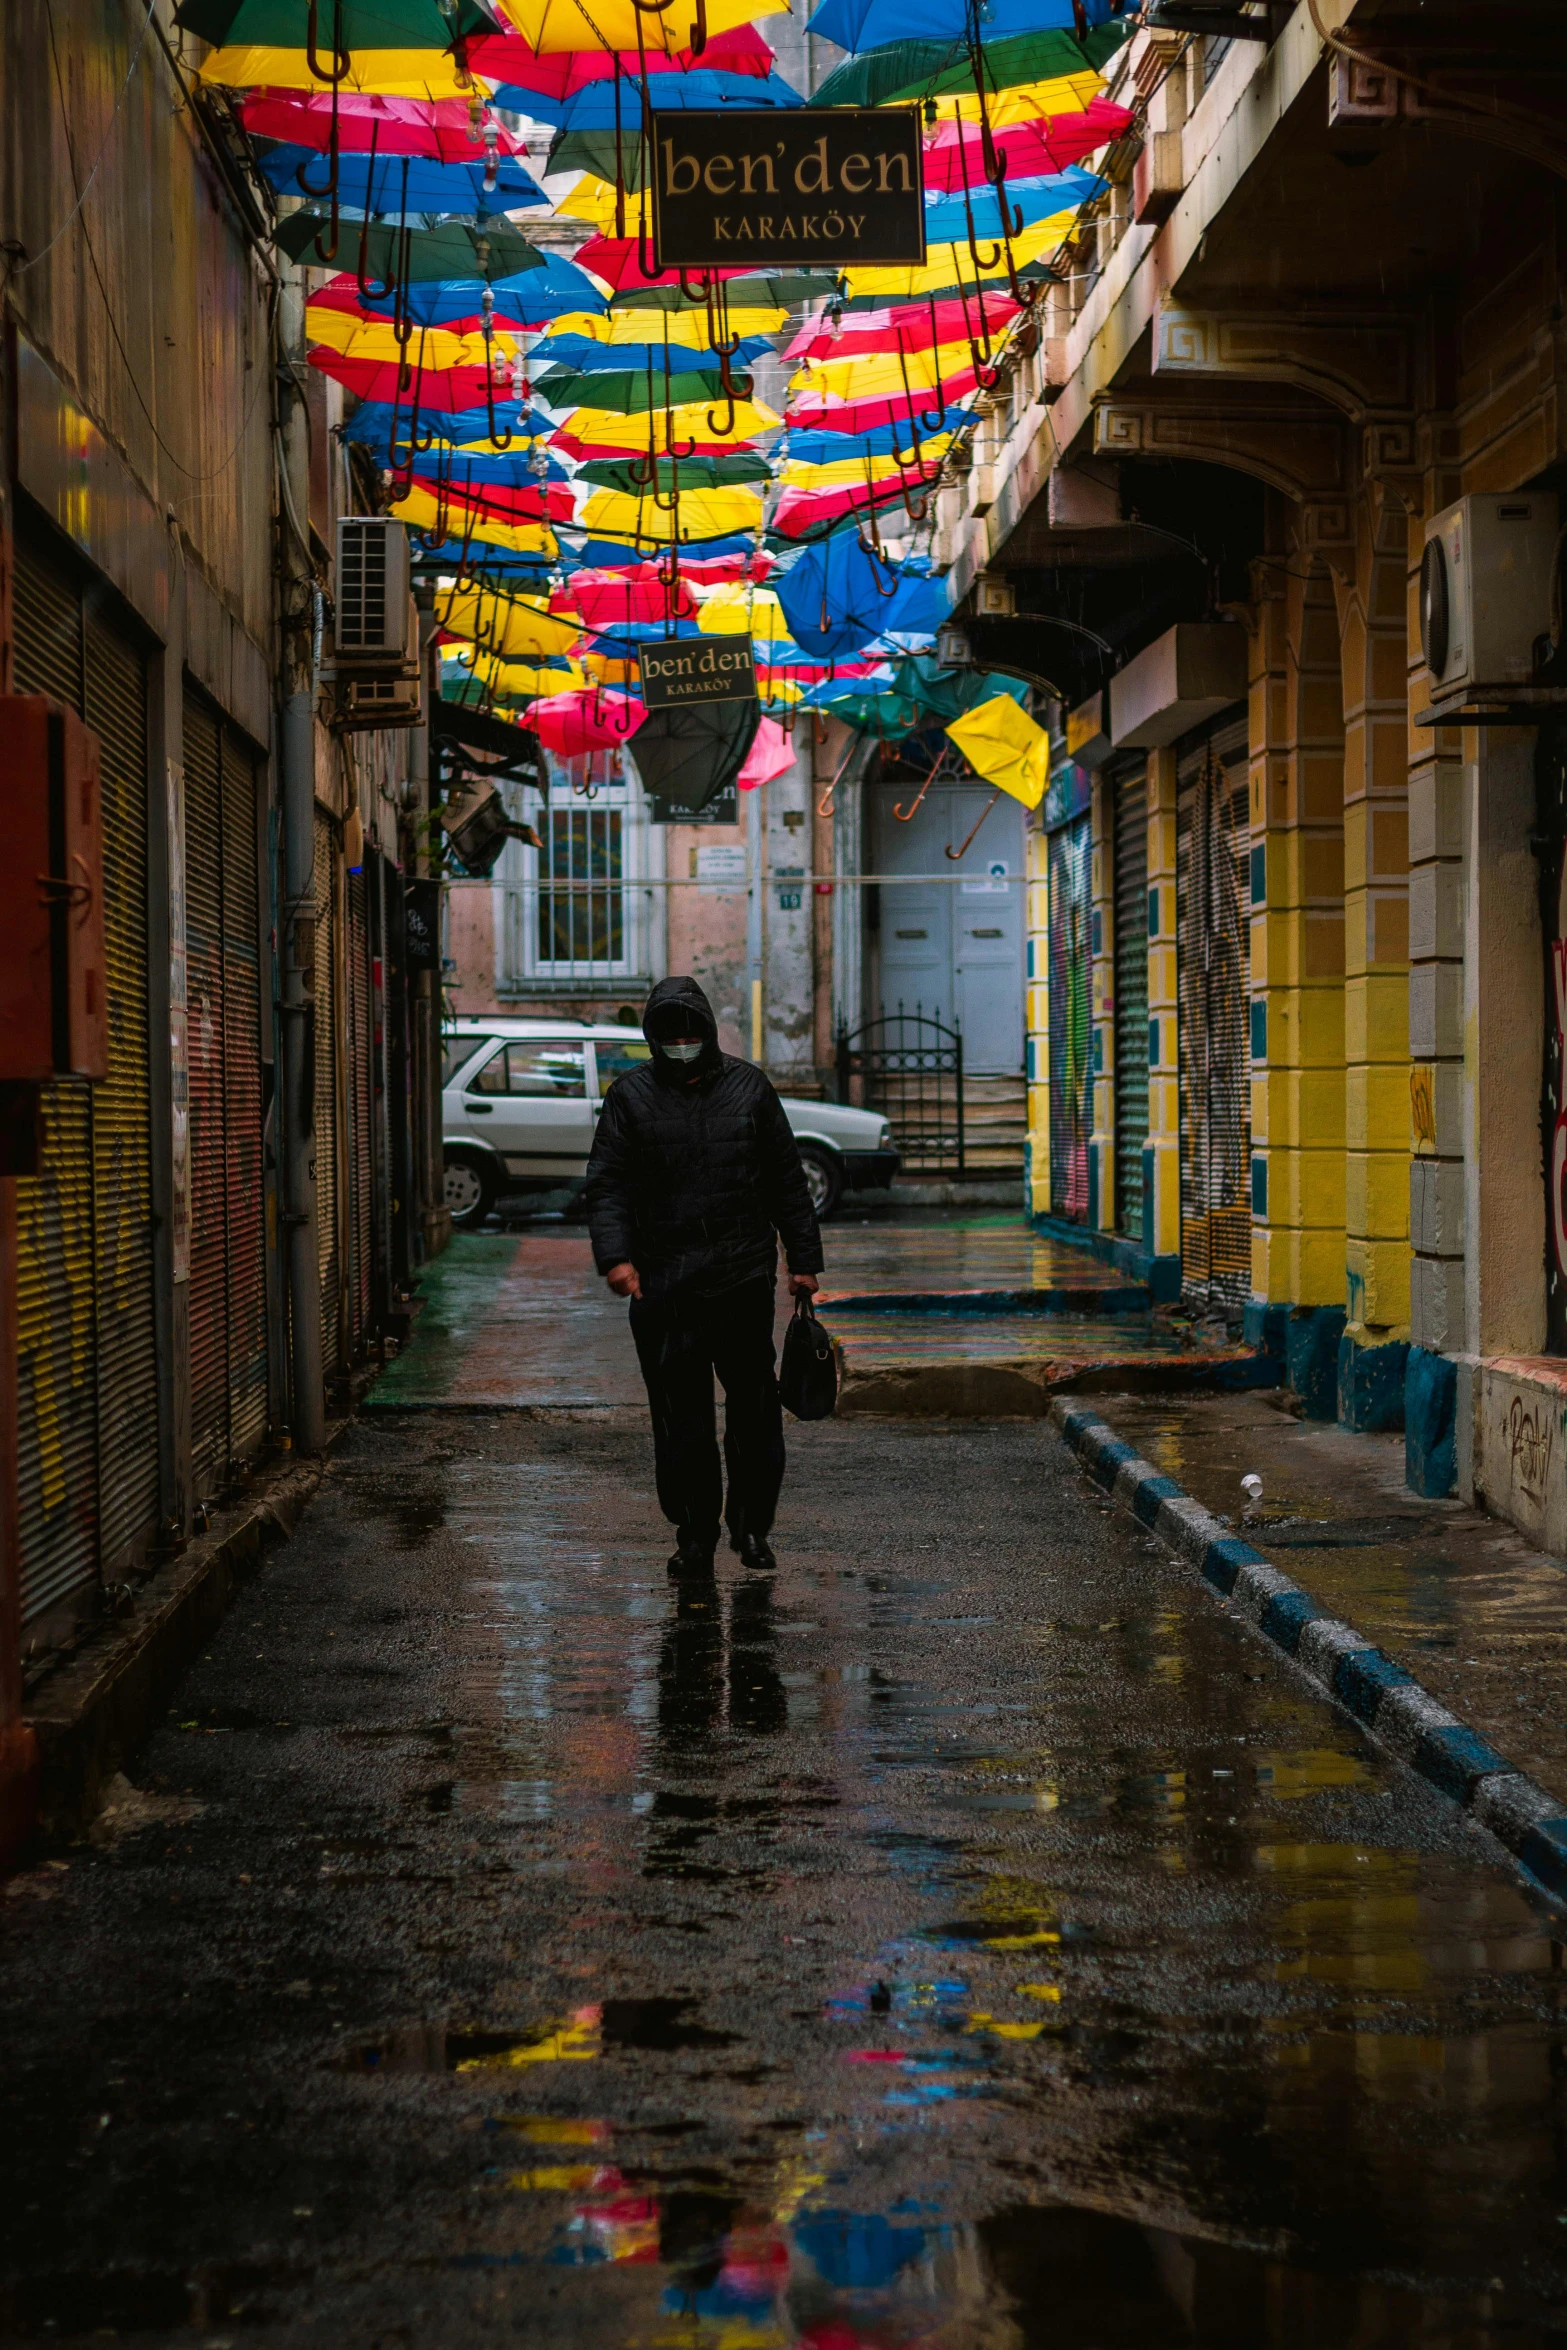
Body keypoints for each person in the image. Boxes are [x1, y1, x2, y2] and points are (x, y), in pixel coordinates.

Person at [584, 975, 823, 1580]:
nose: (683, 1043)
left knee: (754, 1417)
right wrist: (615, 1258)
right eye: (671, 1035)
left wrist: (803, 1263)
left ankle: (751, 1529)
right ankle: (694, 1535)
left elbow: (785, 1181)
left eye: (692, 1033)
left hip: (742, 1283)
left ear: (709, 1033)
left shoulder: (750, 1089)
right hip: (665, 1290)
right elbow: (608, 1184)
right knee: (682, 1422)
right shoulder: (630, 1098)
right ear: (654, 1039)